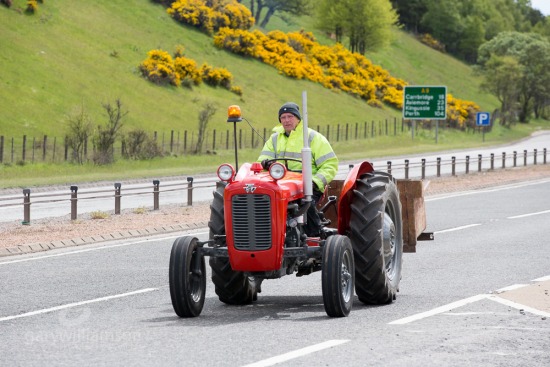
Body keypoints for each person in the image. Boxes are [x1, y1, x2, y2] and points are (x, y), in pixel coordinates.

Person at [257, 102, 339, 236]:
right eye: (283, 117)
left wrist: (314, 182)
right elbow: (260, 162)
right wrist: (265, 164)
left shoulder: (313, 137)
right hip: (280, 184)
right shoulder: (274, 139)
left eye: (290, 116)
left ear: (298, 118)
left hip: (308, 184)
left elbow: (330, 164)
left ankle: (316, 234)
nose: (286, 120)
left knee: (305, 201)